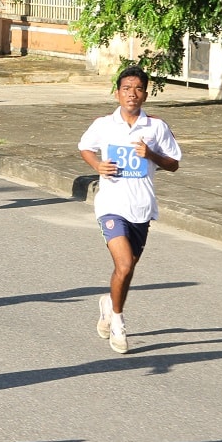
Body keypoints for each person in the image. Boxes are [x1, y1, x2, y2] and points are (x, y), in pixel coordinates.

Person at [78, 65, 181, 354]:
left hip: (141, 206)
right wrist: (97, 165)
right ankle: (119, 322)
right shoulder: (104, 124)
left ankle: (108, 304)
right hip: (111, 205)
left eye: (137, 89)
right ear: (117, 93)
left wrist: (151, 154)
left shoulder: (156, 127)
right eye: (126, 89)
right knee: (123, 264)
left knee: (127, 268)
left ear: (145, 94)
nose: (131, 94)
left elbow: (174, 164)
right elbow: (85, 147)